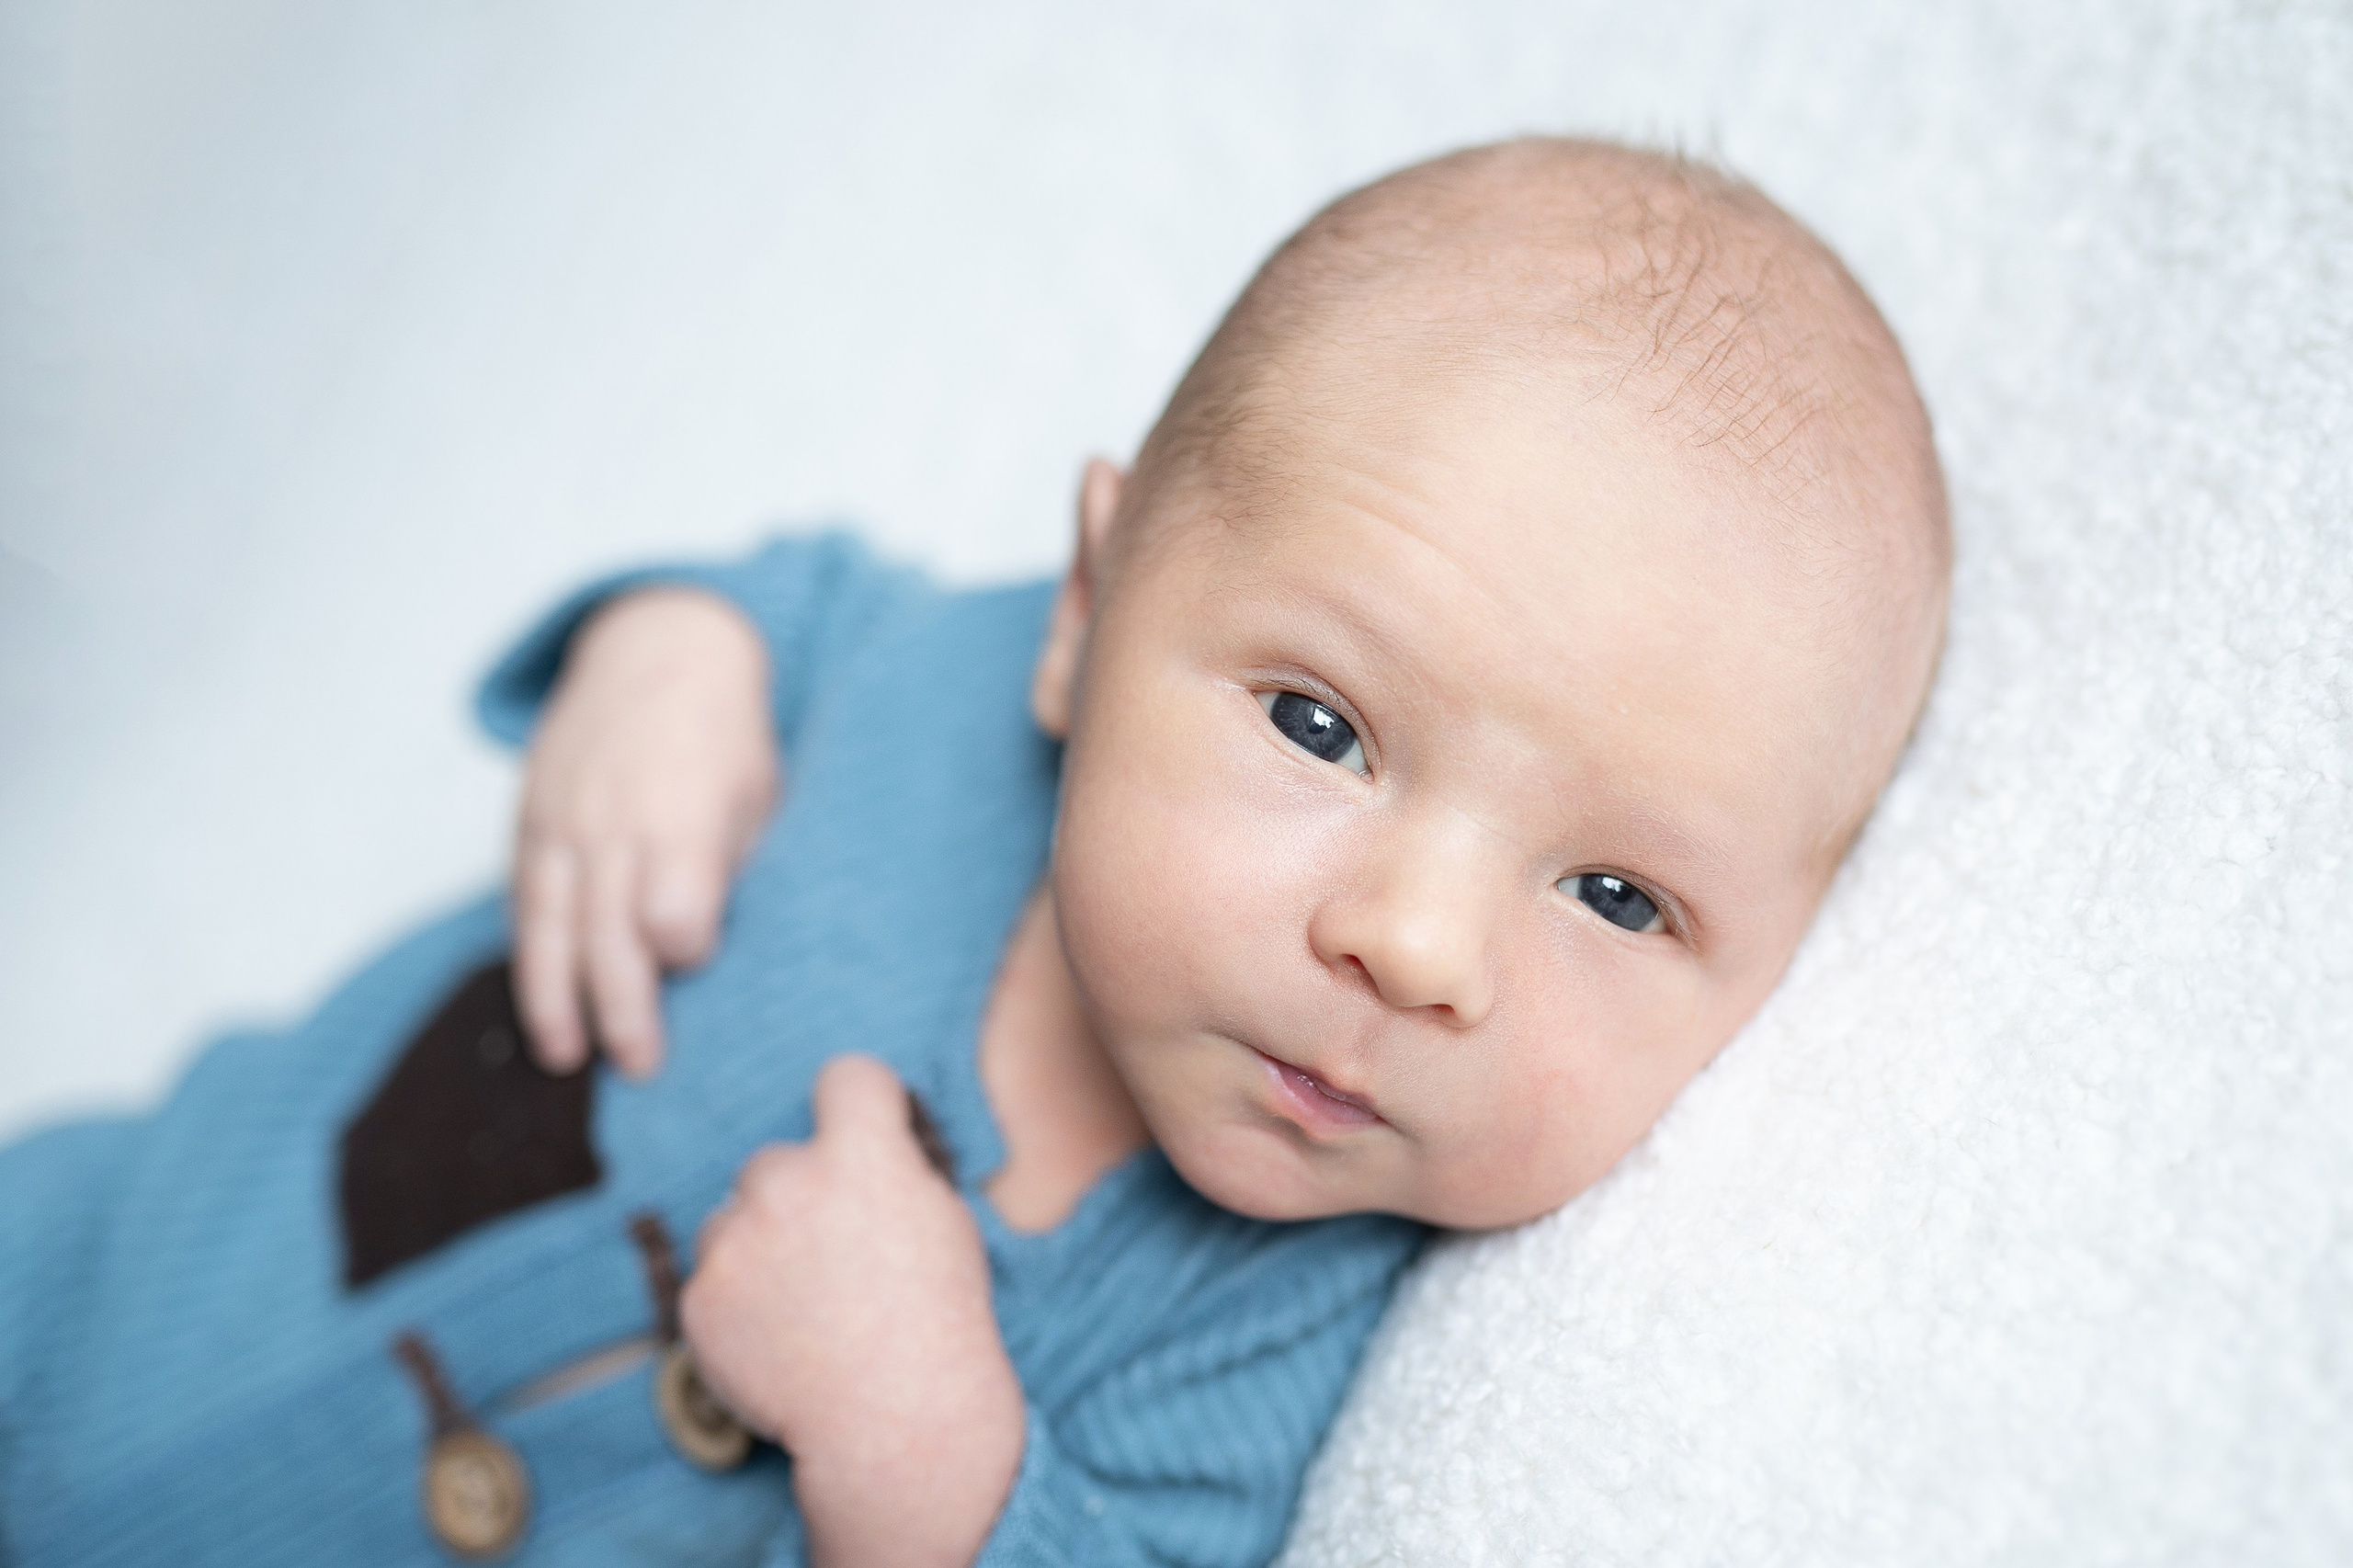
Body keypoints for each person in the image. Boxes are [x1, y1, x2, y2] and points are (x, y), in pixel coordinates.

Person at [0, 137, 1949, 1567]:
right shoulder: (926, 692)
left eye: (1616, 895)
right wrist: (673, 653)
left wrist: (931, 1460)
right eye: (1319, 725)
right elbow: (796, 601)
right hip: (83, 1274)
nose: (1417, 944)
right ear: (1086, 615)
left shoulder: (1262, 1325)